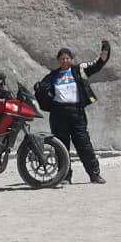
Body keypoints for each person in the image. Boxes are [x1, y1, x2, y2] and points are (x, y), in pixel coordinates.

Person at [37, 39, 111, 184]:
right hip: (59, 114)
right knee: (61, 147)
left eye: (67, 58)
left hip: (77, 112)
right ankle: (65, 177)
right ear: (58, 60)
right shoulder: (52, 76)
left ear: (71, 59)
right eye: (62, 58)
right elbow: (41, 89)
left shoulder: (79, 70)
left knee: (84, 145)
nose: (65, 60)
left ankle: (94, 174)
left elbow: (98, 63)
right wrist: (39, 90)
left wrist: (105, 50)